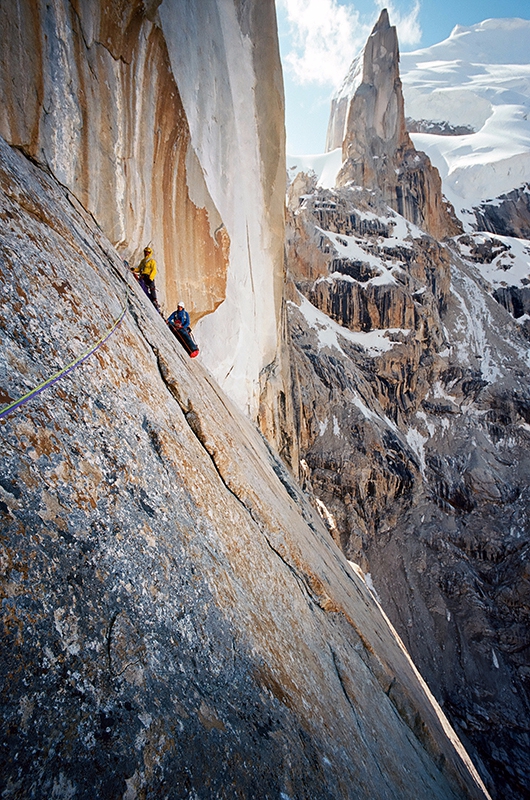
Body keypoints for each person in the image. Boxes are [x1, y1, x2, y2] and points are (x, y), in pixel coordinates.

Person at [133, 246, 160, 311]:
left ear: (150, 253)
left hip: (149, 276)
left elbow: (154, 270)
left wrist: (151, 278)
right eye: (145, 252)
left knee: (152, 288)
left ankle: (154, 300)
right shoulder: (143, 261)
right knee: (142, 285)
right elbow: (139, 269)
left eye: (147, 252)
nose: (146, 253)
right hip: (143, 276)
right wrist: (134, 269)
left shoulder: (152, 261)